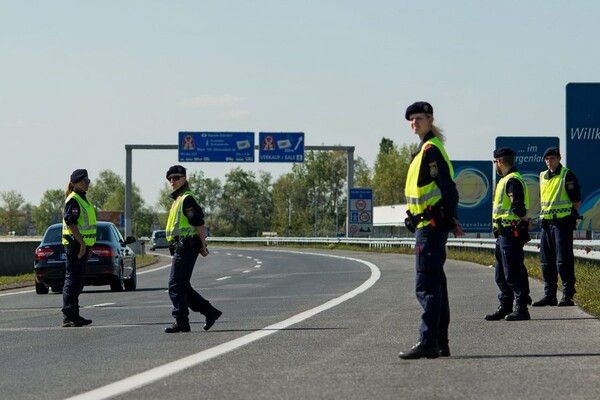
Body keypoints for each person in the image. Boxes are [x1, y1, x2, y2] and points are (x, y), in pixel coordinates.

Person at [399, 101, 464, 360]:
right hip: (426, 225)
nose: (414, 123)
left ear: (430, 119)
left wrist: (450, 219)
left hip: (431, 227)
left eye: (419, 119)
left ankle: (428, 340)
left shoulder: (430, 150)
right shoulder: (424, 149)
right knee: (436, 284)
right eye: (411, 120)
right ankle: (440, 342)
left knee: (426, 284)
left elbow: (448, 189)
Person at [164, 165, 222, 333]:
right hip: (181, 246)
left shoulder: (186, 199)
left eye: (175, 178)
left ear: (184, 178)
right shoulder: (178, 199)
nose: (172, 181)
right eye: (169, 179)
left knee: (175, 284)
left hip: (187, 245)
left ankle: (181, 321)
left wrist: (203, 245)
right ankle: (209, 311)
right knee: (182, 285)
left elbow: (199, 223)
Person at [485, 147, 532, 322]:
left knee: (513, 271)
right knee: (501, 273)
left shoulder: (512, 181)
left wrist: (525, 219)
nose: (495, 165)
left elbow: (517, 206)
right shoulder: (507, 180)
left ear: (499, 162)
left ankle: (521, 308)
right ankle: (505, 306)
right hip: (503, 234)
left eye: (495, 162)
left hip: (511, 234)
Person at [533, 146, 581, 307]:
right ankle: (549, 295)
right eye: (547, 159)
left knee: (563, 260)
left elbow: (576, 199)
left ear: (559, 158)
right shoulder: (542, 176)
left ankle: (567, 295)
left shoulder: (567, 174)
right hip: (546, 224)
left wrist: (571, 216)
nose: (549, 162)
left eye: (552, 158)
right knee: (546, 261)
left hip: (562, 223)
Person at [61, 169, 95, 327]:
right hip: (75, 246)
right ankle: (70, 315)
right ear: (75, 184)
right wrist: (82, 243)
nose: (87, 184)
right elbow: (71, 223)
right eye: (84, 181)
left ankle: (74, 314)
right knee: (73, 280)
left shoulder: (84, 199)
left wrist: (88, 245)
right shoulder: (73, 200)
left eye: (88, 181)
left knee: (78, 281)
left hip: (82, 246)